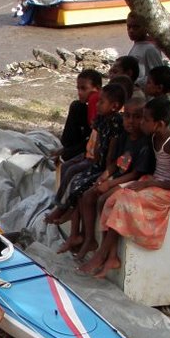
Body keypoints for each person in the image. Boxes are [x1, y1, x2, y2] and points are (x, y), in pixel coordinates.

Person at [79, 97, 170, 278]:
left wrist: (148, 183)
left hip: (168, 190)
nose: (141, 123)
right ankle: (112, 256)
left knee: (123, 202)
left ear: (160, 124)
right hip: (153, 182)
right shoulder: (153, 136)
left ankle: (101, 255)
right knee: (110, 200)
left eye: (145, 120)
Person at [71, 97, 154, 260]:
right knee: (86, 195)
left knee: (103, 199)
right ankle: (89, 239)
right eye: (127, 116)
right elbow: (115, 164)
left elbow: (136, 174)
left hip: (132, 180)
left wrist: (110, 183)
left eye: (136, 117)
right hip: (118, 177)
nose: (130, 121)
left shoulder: (145, 143)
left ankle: (107, 249)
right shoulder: (124, 136)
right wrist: (105, 176)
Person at [49, 83, 125, 230]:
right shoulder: (101, 120)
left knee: (81, 185)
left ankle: (68, 212)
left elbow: (111, 153)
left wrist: (105, 173)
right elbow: (97, 145)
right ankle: (61, 207)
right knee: (73, 175)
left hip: (105, 168)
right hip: (96, 162)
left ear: (114, 106)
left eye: (101, 102)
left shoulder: (116, 123)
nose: (97, 105)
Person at [57, 69, 102, 162]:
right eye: (78, 88)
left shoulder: (95, 99)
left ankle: (66, 149)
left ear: (97, 88)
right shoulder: (89, 103)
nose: (80, 92)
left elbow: (94, 131)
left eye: (84, 88)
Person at [144, 64, 170, 139]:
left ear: (159, 88)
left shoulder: (162, 105)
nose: (145, 85)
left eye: (149, 82)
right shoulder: (162, 101)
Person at [125, 13, 164, 88]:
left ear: (146, 28)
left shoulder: (150, 49)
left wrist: (134, 83)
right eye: (129, 27)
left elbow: (158, 75)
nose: (131, 30)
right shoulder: (137, 45)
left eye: (136, 27)